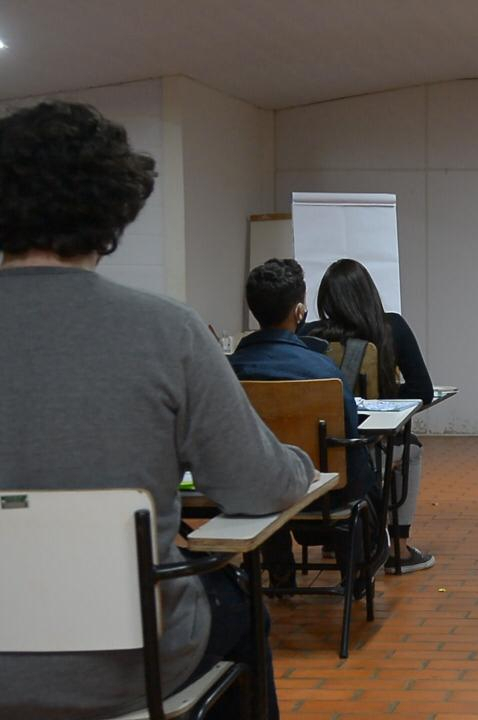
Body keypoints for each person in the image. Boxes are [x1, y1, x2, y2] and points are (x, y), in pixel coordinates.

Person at [0, 101, 313, 720]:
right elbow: (256, 486)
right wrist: (299, 463)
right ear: (116, 209)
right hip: (129, 664)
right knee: (243, 609)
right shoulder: (167, 331)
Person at [229, 258, 381, 587]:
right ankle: (354, 574)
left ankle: (280, 574)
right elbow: (348, 444)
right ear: (300, 312)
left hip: (253, 493)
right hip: (323, 494)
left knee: (265, 475)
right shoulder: (324, 373)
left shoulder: (228, 373)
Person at [303, 258, 436, 572]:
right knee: (411, 450)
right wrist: (381, 395)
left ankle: (333, 541)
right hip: (370, 447)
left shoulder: (309, 335)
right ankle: (399, 549)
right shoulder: (391, 327)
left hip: (316, 449)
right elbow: (423, 390)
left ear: (325, 299)